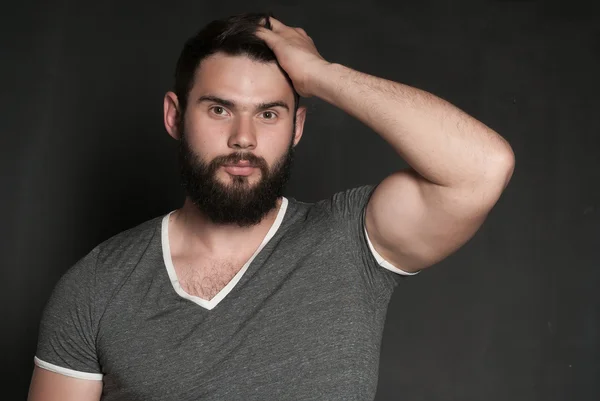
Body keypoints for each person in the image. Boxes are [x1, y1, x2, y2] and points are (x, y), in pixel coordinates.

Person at [28, 12, 515, 401]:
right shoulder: (96, 287)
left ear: (297, 127)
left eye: (268, 113)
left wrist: (322, 76)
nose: (244, 138)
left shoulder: (351, 242)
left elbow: (482, 168)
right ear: (175, 116)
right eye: (219, 109)